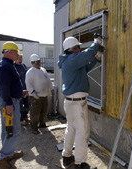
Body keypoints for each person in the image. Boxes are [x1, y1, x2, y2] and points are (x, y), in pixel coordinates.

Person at [57, 35, 104, 169]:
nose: (79, 48)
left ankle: (67, 156)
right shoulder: (72, 60)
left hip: (72, 102)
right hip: (77, 103)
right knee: (82, 132)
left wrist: (97, 56)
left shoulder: (70, 61)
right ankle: (80, 163)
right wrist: (96, 44)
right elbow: (85, 55)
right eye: (78, 47)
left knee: (71, 129)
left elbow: (86, 67)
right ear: (71, 49)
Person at [0, 41, 28, 169]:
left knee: (7, 129)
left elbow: (8, 86)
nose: (17, 55)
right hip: (8, 102)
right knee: (12, 130)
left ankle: (8, 153)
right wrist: (9, 103)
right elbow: (4, 87)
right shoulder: (6, 66)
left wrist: (20, 92)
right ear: (9, 52)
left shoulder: (7, 65)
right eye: (15, 52)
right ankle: (3, 158)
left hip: (10, 99)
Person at [25, 54, 53, 134]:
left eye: (37, 61)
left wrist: (51, 88)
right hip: (35, 97)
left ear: (40, 61)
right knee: (35, 113)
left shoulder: (43, 70)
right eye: (34, 62)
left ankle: (42, 124)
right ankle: (34, 128)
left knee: (44, 111)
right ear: (31, 63)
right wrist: (33, 92)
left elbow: (48, 80)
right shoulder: (30, 72)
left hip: (44, 96)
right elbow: (28, 84)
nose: (36, 63)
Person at [14, 53, 29, 126]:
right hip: (18, 90)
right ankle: (20, 119)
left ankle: (25, 116)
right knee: (19, 105)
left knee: (26, 104)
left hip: (25, 89)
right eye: (18, 57)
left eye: (21, 57)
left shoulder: (23, 66)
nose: (20, 59)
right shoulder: (13, 67)